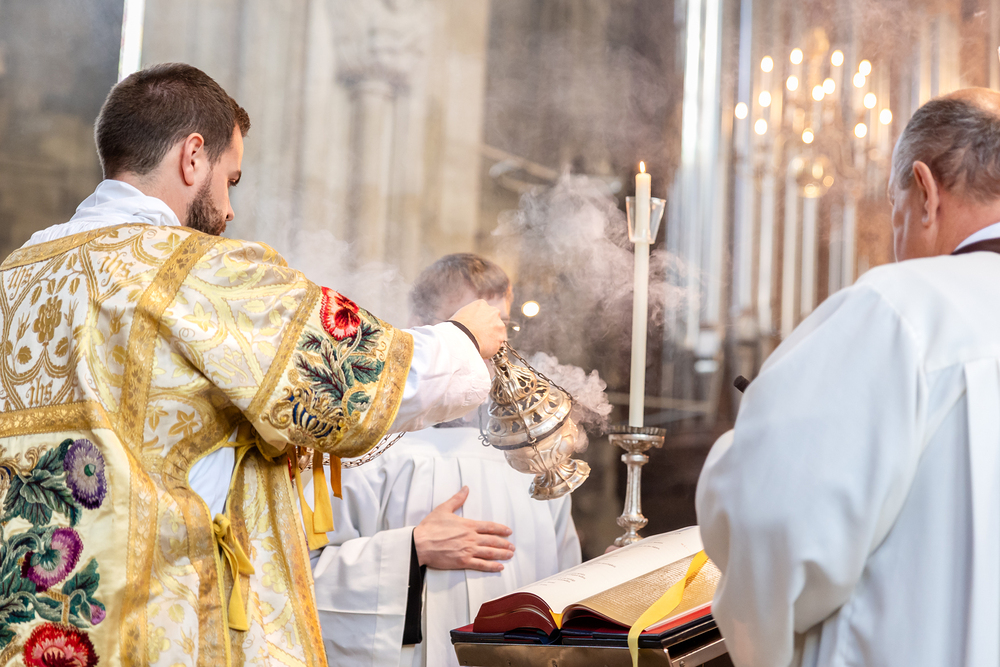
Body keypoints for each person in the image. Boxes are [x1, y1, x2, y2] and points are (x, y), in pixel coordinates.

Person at [0, 64, 506, 667]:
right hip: (153, 629)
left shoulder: (15, 275)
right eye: (230, 179)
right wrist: (461, 339)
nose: (230, 209)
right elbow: (351, 374)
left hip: (28, 630)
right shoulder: (195, 270)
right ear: (193, 157)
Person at [696, 87, 1000, 667]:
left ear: (925, 192)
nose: (896, 238)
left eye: (895, 210)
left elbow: (774, 526)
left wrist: (746, 445)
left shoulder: (903, 310)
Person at [308, 254, 582, 667]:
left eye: (502, 328)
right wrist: (411, 549)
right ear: (420, 325)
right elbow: (302, 580)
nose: (493, 349)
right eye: (472, 328)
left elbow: (568, 583)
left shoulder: (531, 450)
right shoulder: (361, 447)